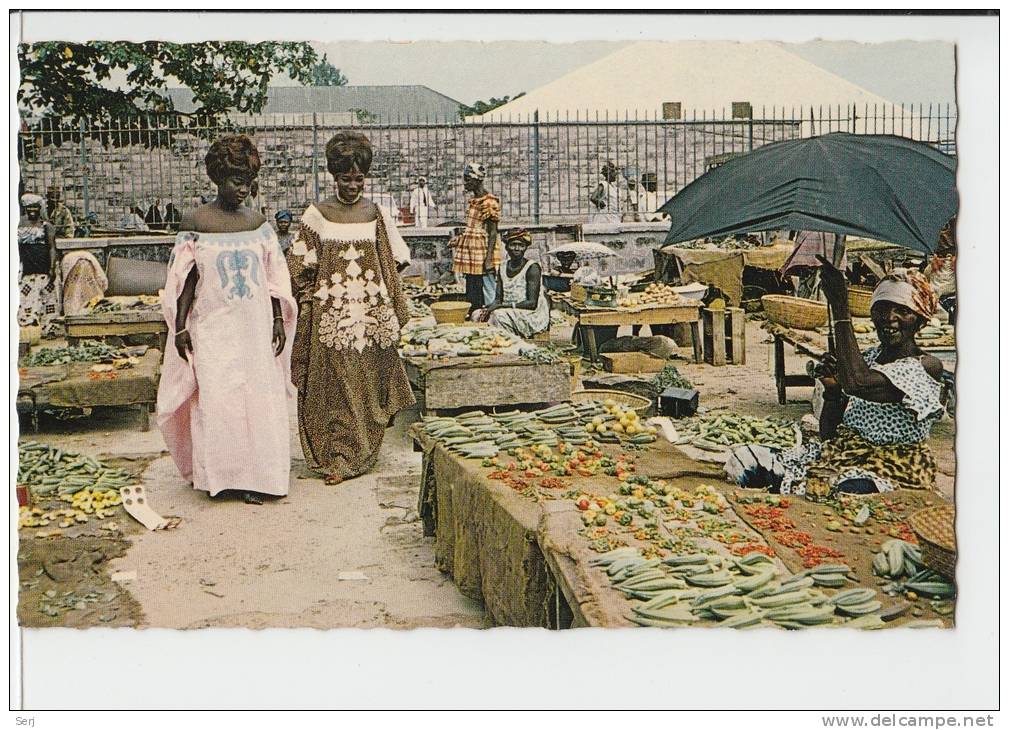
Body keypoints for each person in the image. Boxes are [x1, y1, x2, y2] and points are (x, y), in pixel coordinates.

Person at [157, 134, 296, 506]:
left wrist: (278, 321)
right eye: (236, 181)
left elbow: (272, 280)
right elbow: (186, 280)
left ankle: (258, 478)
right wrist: (181, 326)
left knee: (257, 398)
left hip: (253, 327)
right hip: (212, 324)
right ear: (218, 179)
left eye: (249, 183)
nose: (243, 191)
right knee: (219, 399)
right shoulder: (197, 221)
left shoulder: (258, 224)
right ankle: (220, 478)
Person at [731, 262, 945, 499]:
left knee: (833, 493)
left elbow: (858, 383)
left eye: (903, 311)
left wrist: (840, 307)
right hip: (843, 455)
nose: (889, 318)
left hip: (893, 469)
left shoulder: (926, 366)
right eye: (882, 309)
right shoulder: (868, 358)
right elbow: (829, 435)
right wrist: (833, 391)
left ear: (920, 320)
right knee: (746, 459)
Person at [286, 131, 414, 485]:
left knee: (368, 383)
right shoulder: (317, 215)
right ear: (333, 176)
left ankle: (363, 450)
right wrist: (312, 300)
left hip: (370, 318)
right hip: (331, 319)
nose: (353, 185)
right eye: (346, 178)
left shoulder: (375, 214)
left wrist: (391, 303)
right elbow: (297, 264)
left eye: (359, 179)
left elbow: (390, 261)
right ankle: (338, 457)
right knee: (336, 385)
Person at [477, 229, 550, 338]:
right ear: (506, 247)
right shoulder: (502, 267)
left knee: (498, 316)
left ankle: (509, 343)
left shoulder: (532, 268)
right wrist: (488, 308)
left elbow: (532, 304)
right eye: (513, 245)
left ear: (525, 248)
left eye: (521, 245)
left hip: (531, 314)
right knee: (477, 314)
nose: (517, 248)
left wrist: (501, 307)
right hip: (509, 310)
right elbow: (498, 298)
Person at [448, 162, 501, 312]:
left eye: (467, 179)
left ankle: (488, 314)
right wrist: (458, 240)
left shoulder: (489, 202)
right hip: (471, 252)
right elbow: (472, 229)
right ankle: (474, 313)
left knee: (485, 284)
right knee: (472, 285)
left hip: (482, 252)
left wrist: (489, 258)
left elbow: (492, 232)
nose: (465, 183)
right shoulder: (474, 201)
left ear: (477, 180)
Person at [17, 193, 61, 338]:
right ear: (25, 208)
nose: (33, 210)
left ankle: (49, 330)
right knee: (28, 301)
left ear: (39, 208)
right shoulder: (18, 225)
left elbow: (52, 247)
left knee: (48, 301)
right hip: (27, 271)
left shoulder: (46, 226)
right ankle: (30, 331)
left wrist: (52, 268)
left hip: (44, 270)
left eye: (35, 207)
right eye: (30, 207)